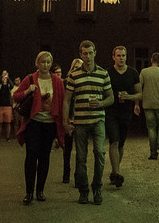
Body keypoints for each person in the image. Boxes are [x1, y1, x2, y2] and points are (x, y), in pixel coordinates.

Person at [63, 40, 114, 205]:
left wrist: (100, 104)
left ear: (95, 53)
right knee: (81, 157)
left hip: (98, 119)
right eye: (85, 53)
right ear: (80, 55)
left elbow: (111, 97)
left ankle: (97, 187)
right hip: (81, 121)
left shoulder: (103, 73)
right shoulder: (74, 75)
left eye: (90, 53)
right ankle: (84, 191)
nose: (88, 56)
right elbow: (67, 100)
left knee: (99, 153)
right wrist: (66, 122)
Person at [14, 51, 66, 204]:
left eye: (48, 62)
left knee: (44, 157)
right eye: (43, 62)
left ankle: (40, 190)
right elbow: (16, 96)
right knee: (31, 156)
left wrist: (64, 123)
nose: (45, 65)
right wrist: (27, 90)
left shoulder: (57, 81)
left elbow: (62, 102)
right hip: (34, 123)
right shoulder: (30, 79)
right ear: (37, 63)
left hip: (49, 124)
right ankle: (29, 192)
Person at [105, 45, 140, 188]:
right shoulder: (107, 73)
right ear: (113, 57)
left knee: (121, 143)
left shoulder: (133, 72)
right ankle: (117, 173)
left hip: (126, 111)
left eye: (123, 55)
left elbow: (140, 93)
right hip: (111, 111)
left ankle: (114, 172)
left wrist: (130, 97)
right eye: (118, 55)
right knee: (114, 140)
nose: (121, 58)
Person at [137, 52, 159, 160]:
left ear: (151, 60)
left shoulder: (144, 72)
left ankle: (153, 152)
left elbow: (139, 86)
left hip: (147, 103)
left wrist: (137, 102)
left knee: (151, 128)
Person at [58, 59, 81, 184]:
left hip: (80, 117)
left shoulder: (84, 81)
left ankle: (78, 174)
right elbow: (64, 101)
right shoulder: (66, 82)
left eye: (80, 67)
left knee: (80, 149)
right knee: (67, 149)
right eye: (75, 67)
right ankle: (66, 173)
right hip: (69, 118)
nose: (77, 68)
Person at [0, 69, 13, 141]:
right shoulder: (0, 86)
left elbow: (12, 85)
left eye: (5, 76)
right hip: (0, 106)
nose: (4, 78)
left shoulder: (8, 86)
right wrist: (1, 76)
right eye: (3, 77)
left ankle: (7, 137)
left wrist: (8, 77)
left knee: (8, 122)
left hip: (8, 106)